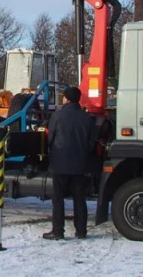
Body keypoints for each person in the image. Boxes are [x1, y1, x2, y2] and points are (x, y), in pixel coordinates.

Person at [42, 86, 98, 240]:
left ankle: (58, 231)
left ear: (66, 99)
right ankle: (81, 231)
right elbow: (91, 141)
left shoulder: (58, 116)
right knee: (79, 199)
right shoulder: (87, 118)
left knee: (58, 200)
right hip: (80, 164)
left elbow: (50, 138)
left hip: (60, 163)